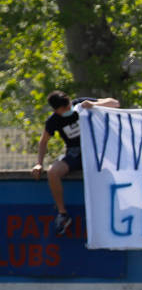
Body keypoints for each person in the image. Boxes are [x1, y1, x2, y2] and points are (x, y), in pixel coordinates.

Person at [32, 91, 120, 235]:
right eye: (63, 109)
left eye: (68, 106)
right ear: (56, 110)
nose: (68, 110)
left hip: (96, 151)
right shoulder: (53, 121)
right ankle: (62, 213)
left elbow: (115, 103)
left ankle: (111, 209)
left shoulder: (81, 104)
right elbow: (43, 142)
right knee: (53, 172)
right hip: (75, 153)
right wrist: (39, 163)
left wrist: (94, 105)